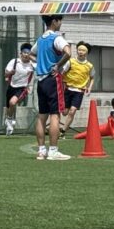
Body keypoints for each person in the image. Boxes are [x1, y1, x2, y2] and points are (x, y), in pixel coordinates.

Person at [30, 15, 72, 161]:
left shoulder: (40, 39)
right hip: (52, 80)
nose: (60, 24)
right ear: (54, 21)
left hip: (40, 81)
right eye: (60, 21)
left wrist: (41, 63)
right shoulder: (57, 38)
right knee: (55, 115)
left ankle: (41, 151)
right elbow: (68, 52)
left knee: (42, 116)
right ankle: (53, 150)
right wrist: (57, 66)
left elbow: (31, 54)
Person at [59, 41, 94, 137]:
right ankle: (56, 127)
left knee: (72, 110)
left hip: (79, 91)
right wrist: (61, 85)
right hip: (68, 89)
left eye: (83, 50)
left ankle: (63, 131)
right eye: (79, 50)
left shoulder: (89, 66)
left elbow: (92, 78)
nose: (81, 52)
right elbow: (62, 73)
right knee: (65, 112)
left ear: (87, 52)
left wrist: (89, 88)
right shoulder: (70, 61)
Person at [2, 42, 35, 136]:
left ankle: (9, 119)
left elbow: (41, 69)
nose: (26, 54)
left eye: (28, 53)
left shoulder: (32, 65)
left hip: (22, 88)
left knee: (13, 102)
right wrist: (10, 73)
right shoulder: (14, 62)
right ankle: (9, 119)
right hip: (11, 86)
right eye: (24, 52)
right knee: (10, 106)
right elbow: (5, 74)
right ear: (20, 54)